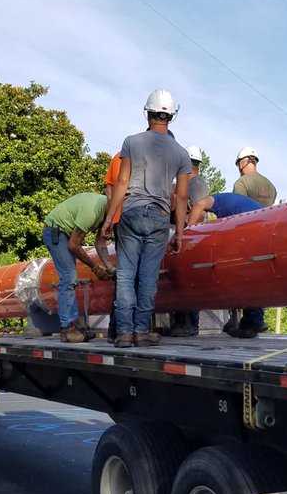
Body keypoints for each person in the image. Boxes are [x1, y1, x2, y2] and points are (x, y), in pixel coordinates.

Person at [101, 89, 191, 348]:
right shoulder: (182, 154)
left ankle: (124, 334)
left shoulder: (131, 141)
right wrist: (181, 233)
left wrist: (109, 219)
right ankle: (141, 332)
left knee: (126, 276)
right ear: (171, 116)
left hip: (131, 213)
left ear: (148, 113)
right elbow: (181, 197)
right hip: (161, 218)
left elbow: (122, 181)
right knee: (148, 278)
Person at [186, 192, 267, 338]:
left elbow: (199, 205)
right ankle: (253, 320)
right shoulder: (232, 203)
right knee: (250, 276)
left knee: (240, 273)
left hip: (251, 228)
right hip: (264, 225)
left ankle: (252, 321)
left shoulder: (215, 200)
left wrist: (188, 231)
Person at [43, 191, 115, 343]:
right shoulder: (92, 212)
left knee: (71, 277)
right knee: (68, 277)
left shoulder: (110, 211)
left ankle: (75, 326)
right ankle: (67, 328)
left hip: (66, 232)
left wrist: (109, 267)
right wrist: (95, 267)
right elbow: (73, 245)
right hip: (55, 231)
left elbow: (100, 242)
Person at [169, 145, 209, 338]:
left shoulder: (197, 183)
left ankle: (190, 324)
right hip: (181, 234)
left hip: (190, 236)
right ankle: (179, 322)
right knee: (178, 280)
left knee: (188, 280)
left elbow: (200, 212)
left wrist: (185, 226)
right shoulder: (182, 184)